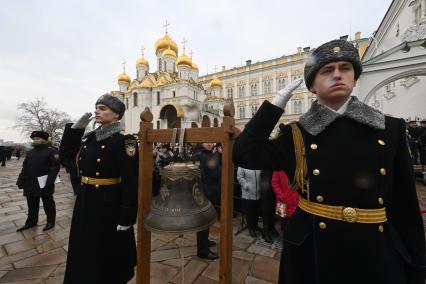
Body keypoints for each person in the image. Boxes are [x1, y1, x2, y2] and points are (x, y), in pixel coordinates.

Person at [233, 39, 425, 283]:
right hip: (312, 251)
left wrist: (417, 268)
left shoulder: (389, 129)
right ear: (312, 85)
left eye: (345, 68)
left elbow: (405, 207)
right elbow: (243, 152)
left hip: (374, 250)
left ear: (355, 79)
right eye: (327, 70)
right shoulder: (297, 134)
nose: (337, 75)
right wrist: (277, 102)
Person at [60, 94, 138, 284]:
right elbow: (66, 158)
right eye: (96, 107)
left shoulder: (125, 140)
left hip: (108, 204)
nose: (97, 111)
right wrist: (75, 130)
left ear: (117, 114)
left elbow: (130, 180)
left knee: (107, 254)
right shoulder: (90, 138)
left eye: (103, 108)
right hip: (86, 200)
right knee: (84, 249)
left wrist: (127, 216)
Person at [16, 131, 60, 232]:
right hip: (30, 183)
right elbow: (25, 168)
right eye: (34, 139)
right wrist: (20, 180)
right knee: (32, 205)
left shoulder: (51, 151)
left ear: (44, 140)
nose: (35, 140)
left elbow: (54, 168)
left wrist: (49, 182)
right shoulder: (30, 152)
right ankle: (31, 222)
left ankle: (50, 222)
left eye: (38, 138)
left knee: (48, 204)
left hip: (44, 182)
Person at [191, 143, 220, 260]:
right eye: (207, 141)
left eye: (211, 141)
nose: (210, 143)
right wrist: (204, 196)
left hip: (211, 192)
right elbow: (199, 179)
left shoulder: (209, 154)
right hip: (204, 195)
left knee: (207, 221)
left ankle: (205, 241)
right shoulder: (198, 155)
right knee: (203, 222)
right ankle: (202, 250)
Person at [237, 166, 262, 238]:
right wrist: (246, 185)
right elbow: (239, 177)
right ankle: (251, 228)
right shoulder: (243, 163)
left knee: (257, 211)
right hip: (248, 194)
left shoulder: (257, 162)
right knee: (250, 212)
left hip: (258, 192)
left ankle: (255, 226)